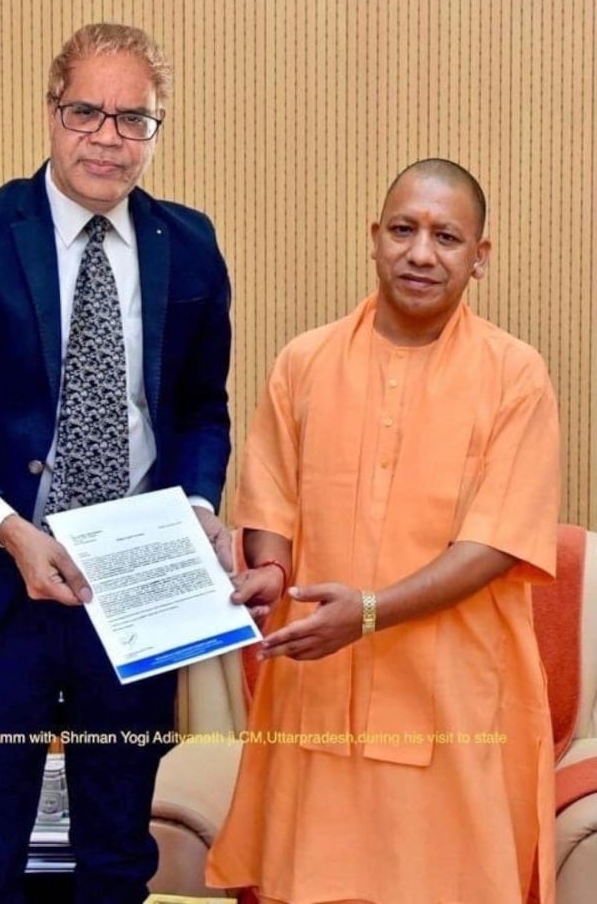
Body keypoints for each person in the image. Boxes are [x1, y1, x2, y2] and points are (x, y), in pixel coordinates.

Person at [0, 23, 232, 904]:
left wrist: (198, 505)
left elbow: (201, 409)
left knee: (117, 853)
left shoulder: (189, 245)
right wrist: (10, 530)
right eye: (86, 112)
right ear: (51, 112)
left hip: (134, 589)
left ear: (157, 130)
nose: (107, 138)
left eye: (133, 119)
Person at [207, 159, 559, 904]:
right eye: (403, 229)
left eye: (446, 237)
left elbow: (495, 543)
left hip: (456, 703)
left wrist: (368, 613)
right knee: (311, 885)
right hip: (320, 689)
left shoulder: (515, 376)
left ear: (480, 257)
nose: (421, 253)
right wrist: (270, 572)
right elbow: (271, 508)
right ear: (374, 238)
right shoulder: (304, 362)